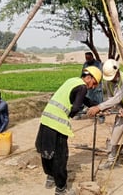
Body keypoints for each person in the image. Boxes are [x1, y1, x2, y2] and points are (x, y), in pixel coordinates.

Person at [35, 66, 102, 195]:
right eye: (94, 83)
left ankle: (50, 178)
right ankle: (61, 189)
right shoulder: (82, 87)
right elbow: (76, 107)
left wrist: (98, 106)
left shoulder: (72, 81)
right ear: (89, 78)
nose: (93, 87)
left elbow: (84, 100)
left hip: (46, 120)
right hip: (58, 124)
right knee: (60, 156)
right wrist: (79, 113)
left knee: (47, 152)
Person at [87, 59, 123, 180]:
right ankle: (111, 160)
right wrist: (119, 108)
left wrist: (99, 107)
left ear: (117, 72)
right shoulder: (108, 82)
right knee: (115, 137)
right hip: (122, 111)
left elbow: (117, 98)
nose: (111, 80)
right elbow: (111, 98)